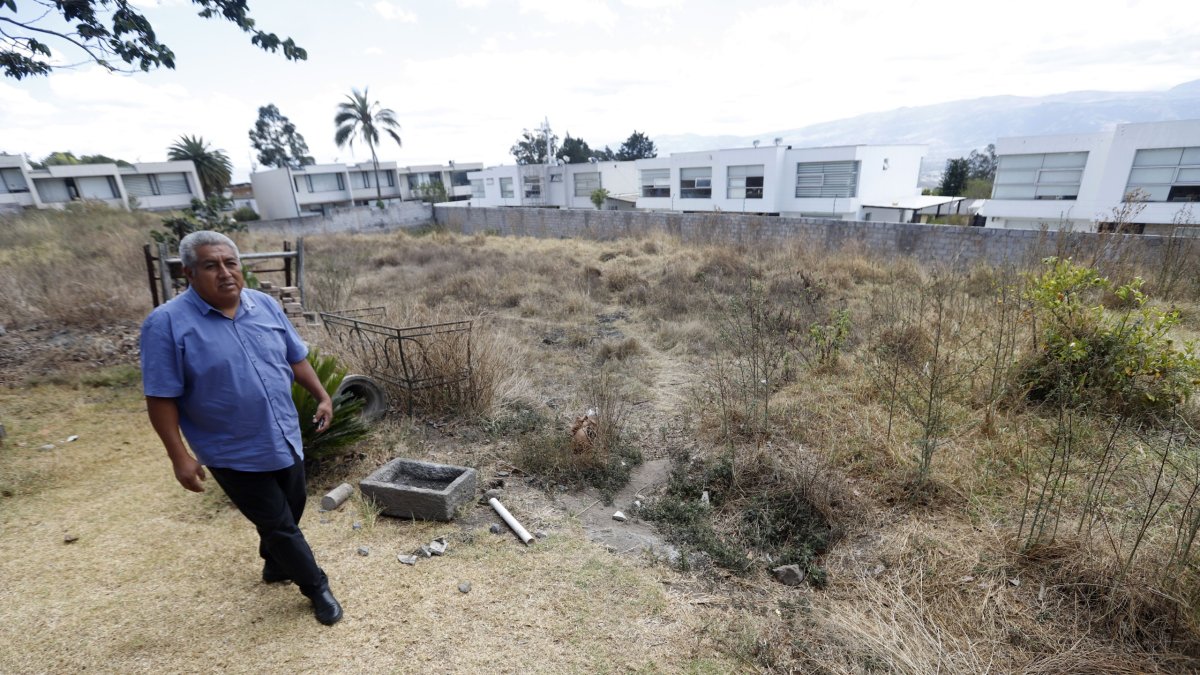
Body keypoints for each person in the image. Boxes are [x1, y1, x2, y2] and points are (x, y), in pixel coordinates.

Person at [140, 230, 342, 626]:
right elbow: (160, 397)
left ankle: (274, 565)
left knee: (291, 508)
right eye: (211, 266)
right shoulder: (166, 324)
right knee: (279, 524)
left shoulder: (265, 306)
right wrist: (179, 456)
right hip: (229, 449)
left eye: (230, 263)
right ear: (189, 272)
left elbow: (295, 357)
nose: (225, 273)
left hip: (282, 434)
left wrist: (322, 395)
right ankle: (317, 587)